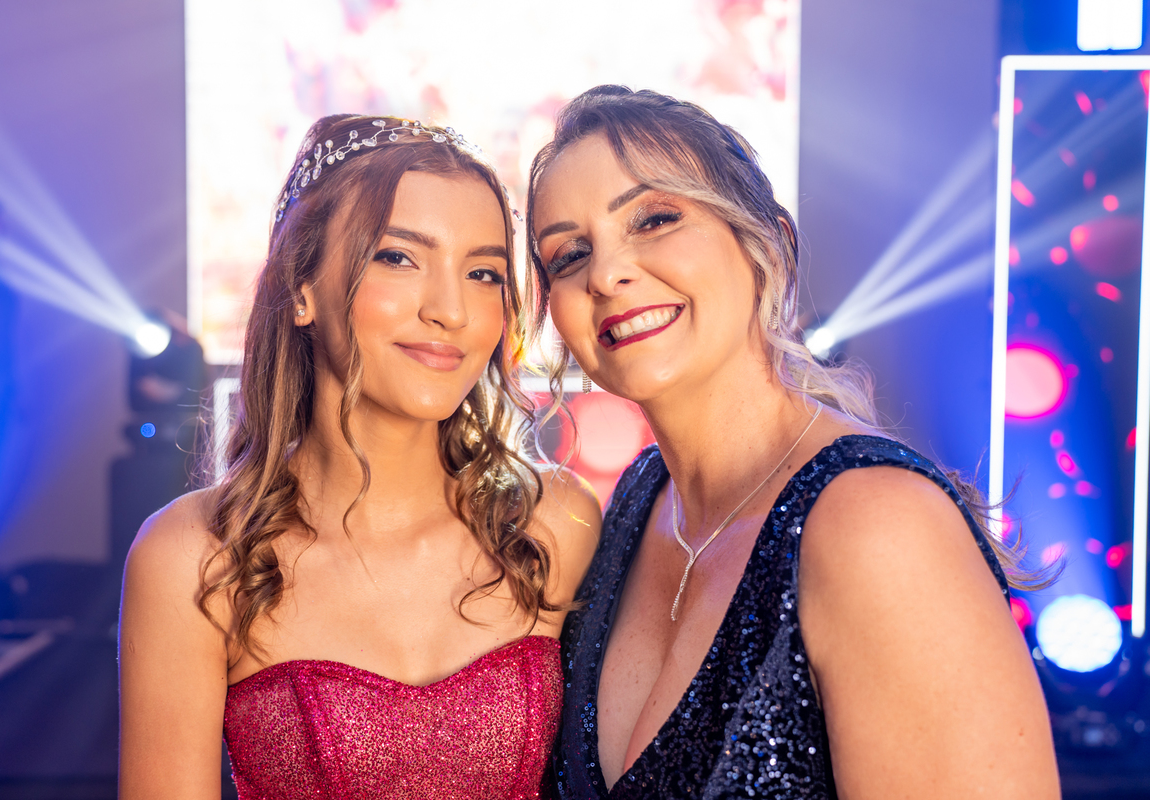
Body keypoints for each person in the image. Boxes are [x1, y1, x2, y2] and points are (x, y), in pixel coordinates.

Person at [527, 86, 1059, 799]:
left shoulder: (877, 526)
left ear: (768, 242)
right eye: (569, 254)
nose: (605, 274)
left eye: (654, 219)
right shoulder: (635, 502)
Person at [119, 114, 600, 800]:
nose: (451, 311)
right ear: (301, 287)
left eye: (483, 273)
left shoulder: (555, 525)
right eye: (398, 257)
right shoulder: (194, 557)